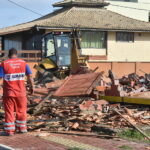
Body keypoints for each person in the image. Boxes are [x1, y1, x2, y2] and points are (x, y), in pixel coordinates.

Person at [0, 48, 34, 136]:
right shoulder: (23, 63)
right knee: (22, 110)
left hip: (9, 93)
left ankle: (10, 131)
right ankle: (22, 129)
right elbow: (30, 76)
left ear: (9, 55)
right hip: (21, 92)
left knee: (9, 111)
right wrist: (32, 87)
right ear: (16, 54)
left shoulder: (4, 64)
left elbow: (0, 77)